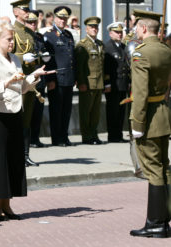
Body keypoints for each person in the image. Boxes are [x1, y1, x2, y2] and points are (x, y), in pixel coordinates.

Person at [0, 20, 50, 221]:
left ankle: (7, 205)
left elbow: (22, 87)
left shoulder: (15, 59)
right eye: (9, 39)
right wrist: (8, 81)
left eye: (12, 39)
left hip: (15, 112)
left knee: (12, 160)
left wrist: (34, 75)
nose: (12, 42)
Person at [129, 9, 171, 238]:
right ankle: (164, 220)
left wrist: (137, 123)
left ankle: (155, 223)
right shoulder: (165, 49)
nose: (135, 30)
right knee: (164, 168)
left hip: (150, 119)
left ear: (144, 28)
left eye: (137, 26)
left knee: (154, 170)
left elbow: (140, 92)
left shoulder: (141, 53)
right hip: (164, 114)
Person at [44, 6, 76, 147]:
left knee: (66, 110)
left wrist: (74, 76)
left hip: (68, 78)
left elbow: (71, 57)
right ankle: (57, 138)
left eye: (64, 18)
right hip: (56, 79)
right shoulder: (49, 36)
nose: (62, 21)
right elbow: (49, 60)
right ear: (54, 19)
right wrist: (50, 79)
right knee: (56, 110)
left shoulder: (68, 35)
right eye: (60, 18)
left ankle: (64, 136)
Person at [11, 0, 38, 167]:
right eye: (24, 9)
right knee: (16, 118)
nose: (27, 12)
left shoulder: (29, 33)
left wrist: (37, 59)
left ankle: (25, 155)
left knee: (27, 120)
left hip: (29, 80)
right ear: (16, 12)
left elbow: (32, 54)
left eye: (28, 9)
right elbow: (7, 56)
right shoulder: (11, 31)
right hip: (17, 81)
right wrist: (23, 59)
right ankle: (15, 155)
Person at [75, 16, 104, 145]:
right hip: (87, 83)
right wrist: (81, 82)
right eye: (92, 27)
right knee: (85, 112)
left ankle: (94, 134)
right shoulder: (83, 44)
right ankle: (86, 136)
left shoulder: (100, 44)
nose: (94, 29)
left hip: (98, 83)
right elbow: (79, 67)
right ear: (86, 29)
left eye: (96, 27)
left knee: (95, 113)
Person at [25, 10, 49, 148]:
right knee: (29, 111)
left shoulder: (39, 37)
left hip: (40, 78)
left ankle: (35, 138)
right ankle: (27, 139)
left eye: (35, 22)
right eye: (30, 22)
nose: (33, 25)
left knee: (38, 111)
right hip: (29, 78)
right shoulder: (23, 36)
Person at [104, 22, 130, 143]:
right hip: (113, 85)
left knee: (121, 111)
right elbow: (106, 67)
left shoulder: (123, 47)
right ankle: (113, 135)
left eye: (120, 32)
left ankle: (118, 134)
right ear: (110, 33)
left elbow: (126, 66)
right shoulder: (108, 47)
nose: (119, 34)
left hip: (123, 84)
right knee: (113, 111)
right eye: (116, 32)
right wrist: (107, 84)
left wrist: (128, 82)